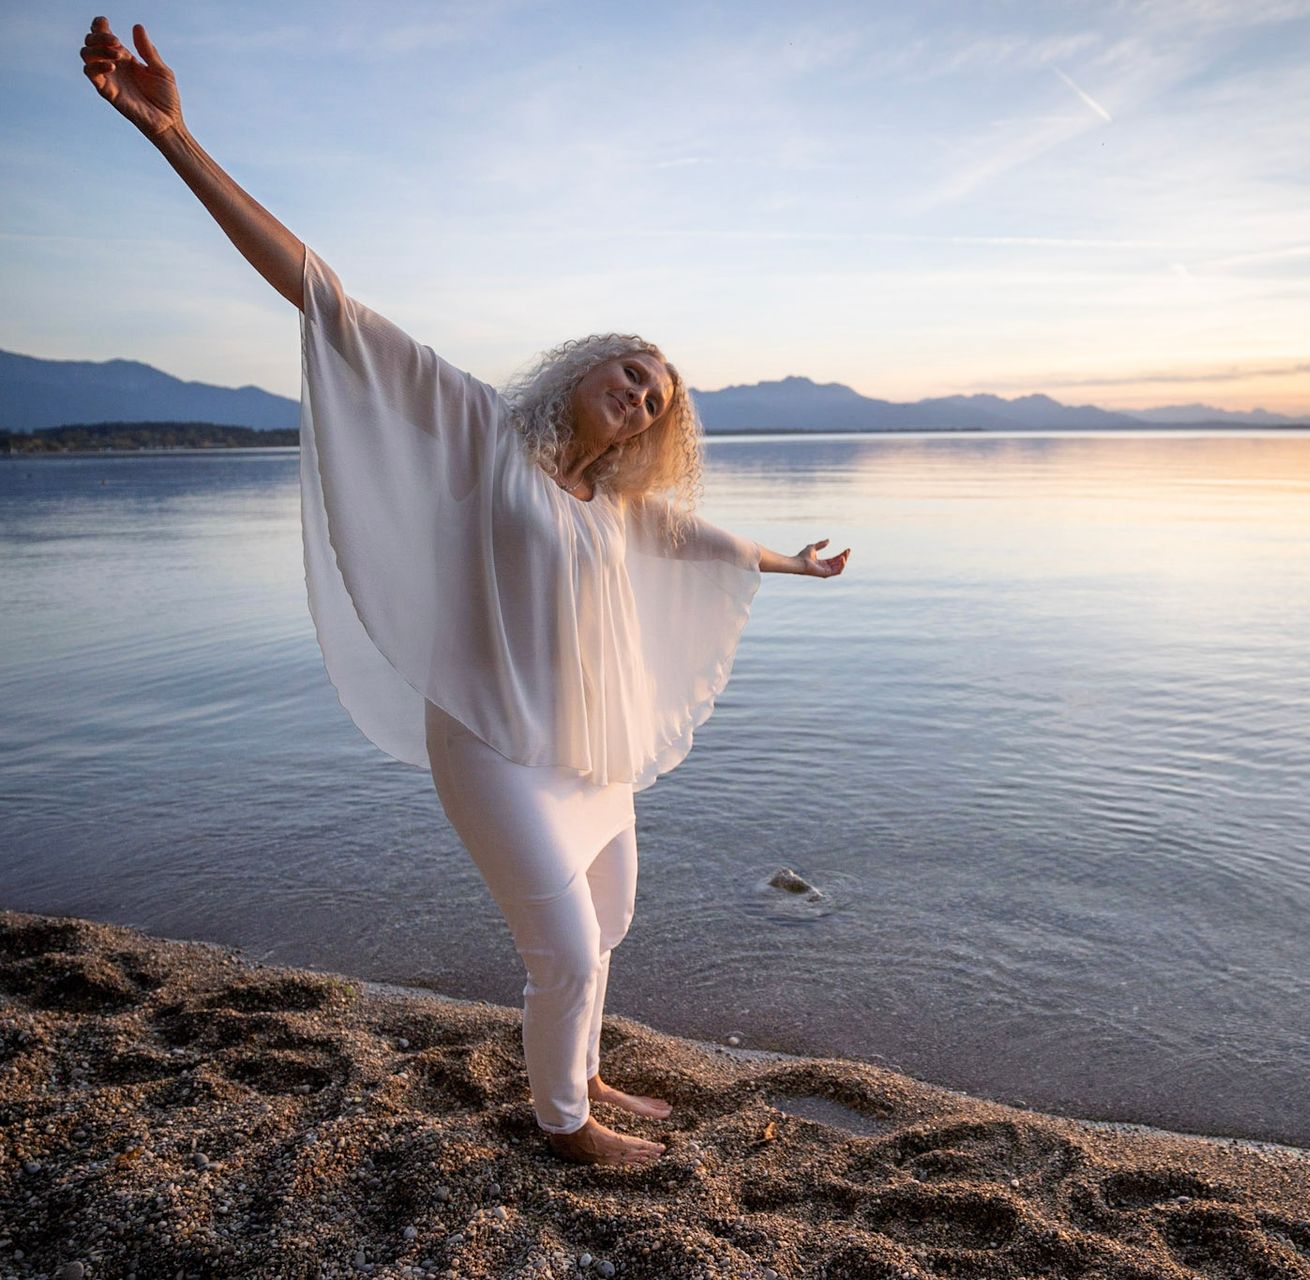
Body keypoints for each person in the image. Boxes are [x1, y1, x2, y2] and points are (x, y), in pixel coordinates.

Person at [81, 16, 851, 1168]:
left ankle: (585, 1066)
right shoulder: (480, 429)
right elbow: (325, 297)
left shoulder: (616, 502)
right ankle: (564, 1122)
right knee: (566, 949)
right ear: (587, 366)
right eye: (632, 371)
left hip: (585, 743)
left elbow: (701, 540)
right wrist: (173, 136)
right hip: (491, 737)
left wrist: (793, 562)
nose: (641, 395)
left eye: (657, 401)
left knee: (611, 921)